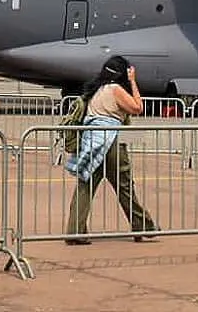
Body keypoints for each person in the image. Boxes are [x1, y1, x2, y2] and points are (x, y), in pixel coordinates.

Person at [62, 55, 158, 244]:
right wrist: (133, 82)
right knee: (124, 187)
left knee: (85, 185)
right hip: (111, 140)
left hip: (92, 140)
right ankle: (143, 226)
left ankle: (75, 231)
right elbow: (138, 107)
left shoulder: (95, 90)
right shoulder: (115, 89)